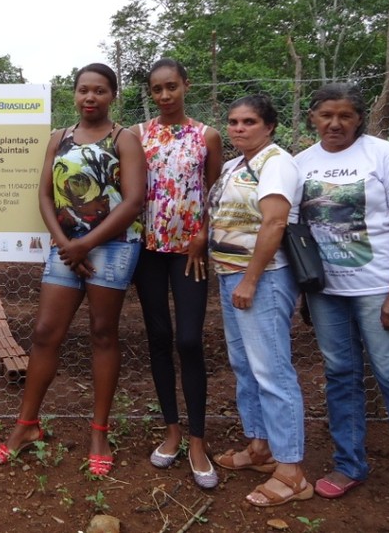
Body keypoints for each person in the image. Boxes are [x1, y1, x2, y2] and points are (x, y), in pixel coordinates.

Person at [0, 63, 145, 479]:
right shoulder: (58, 139)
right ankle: (27, 425)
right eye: (83, 90)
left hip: (111, 246)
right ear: (73, 95)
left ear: (113, 95)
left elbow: (133, 201)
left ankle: (98, 432)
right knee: (44, 332)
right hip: (66, 247)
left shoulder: (124, 139)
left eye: (99, 91)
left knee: (102, 333)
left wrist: (84, 245)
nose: (89, 98)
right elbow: (43, 194)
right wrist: (64, 243)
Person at [294, 83, 389, 526]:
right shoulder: (301, 164)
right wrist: (303, 291)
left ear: (360, 119)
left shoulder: (384, 155)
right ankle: (349, 464)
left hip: (378, 287)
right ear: (312, 117)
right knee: (340, 373)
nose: (335, 123)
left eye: (346, 116)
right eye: (326, 115)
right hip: (326, 292)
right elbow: (297, 234)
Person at [209, 94, 311, 506]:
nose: (238, 128)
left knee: (272, 370)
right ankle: (260, 447)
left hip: (263, 279)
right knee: (245, 365)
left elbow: (274, 221)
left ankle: (292, 472)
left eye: (249, 121)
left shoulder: (276, 163)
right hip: (230, 276)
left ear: (269, 126)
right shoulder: (235, 164)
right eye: (233, 121)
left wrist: (250, 280)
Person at [130, 58, 222, 489]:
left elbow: (215, 190)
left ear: (186, 84)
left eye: (171, 87)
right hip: (147, 250)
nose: (165, 96)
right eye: (156, 89)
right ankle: (171, 431)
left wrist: (203, 232)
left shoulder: (208, 136)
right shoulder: (138, 135)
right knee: (159, 338)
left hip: (190, 252)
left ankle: (198, 441)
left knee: (189, 339)